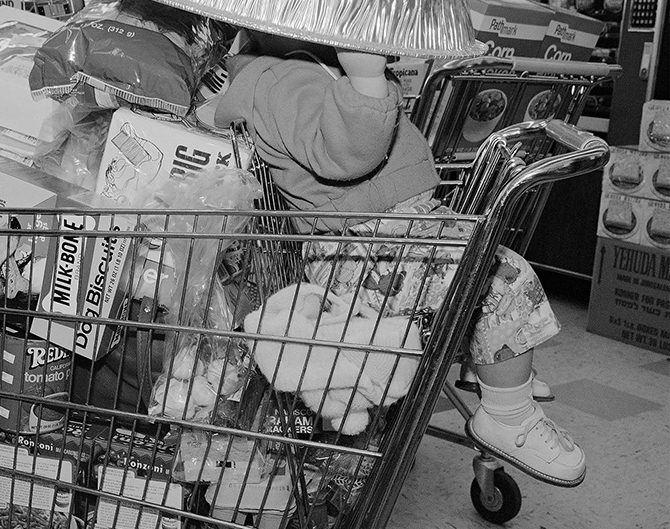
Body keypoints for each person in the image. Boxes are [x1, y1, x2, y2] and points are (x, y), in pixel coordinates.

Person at [213, 47, 585, 486]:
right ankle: (509, 417)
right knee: (503, 278)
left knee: (485, 277)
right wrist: (366, 77)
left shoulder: (294, 66)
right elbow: (348, 154)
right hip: (362, 248)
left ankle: (499, 362)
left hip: (391, 230)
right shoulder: (281, 76)